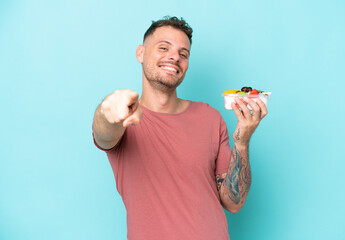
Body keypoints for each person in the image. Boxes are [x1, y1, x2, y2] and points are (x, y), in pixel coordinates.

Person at [92, 16, 268, 240]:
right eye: (163, 47)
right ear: (140, 53)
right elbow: (103, 133)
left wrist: (242, 140)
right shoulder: (124, 116)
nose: (174, 57)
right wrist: (107, 112)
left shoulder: (210, 117)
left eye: (183, 54)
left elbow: (234, 203)